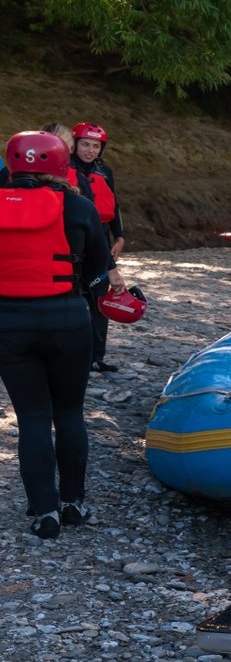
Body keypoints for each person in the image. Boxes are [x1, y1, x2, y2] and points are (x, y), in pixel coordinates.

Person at [0, 131, 121, 539]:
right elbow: (100, 276)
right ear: (59, 163)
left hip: (8, 325)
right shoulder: (80, 206)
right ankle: (72, 505)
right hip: (68, 320)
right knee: (68, 414)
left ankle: (44, 513)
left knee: (32, 418)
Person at [69, 123, 125, 372]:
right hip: (78, 237)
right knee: (77, 297)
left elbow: (114, 205)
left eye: (95, 146)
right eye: (85, 144)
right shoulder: (66, 169)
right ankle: (74, 355)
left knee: (100, 295)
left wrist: (120, 236)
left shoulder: (105, 171)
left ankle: (96, 356)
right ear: (74, 144)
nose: (89, 150)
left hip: (101, 236)